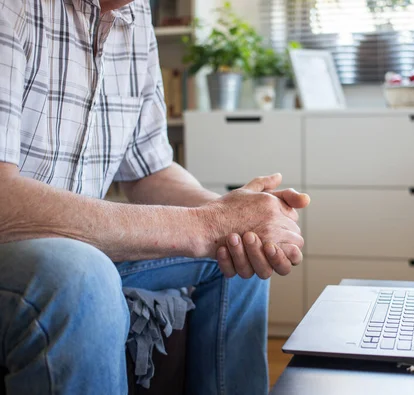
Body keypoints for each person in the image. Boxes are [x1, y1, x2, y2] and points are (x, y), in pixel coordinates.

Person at [0, 0, 309, 394]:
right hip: (27, 250)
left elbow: (150, 170)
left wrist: (237, 214)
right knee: (82, 273)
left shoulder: (136, 14)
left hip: (85, 246)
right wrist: (204, 224)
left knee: (237, 251)